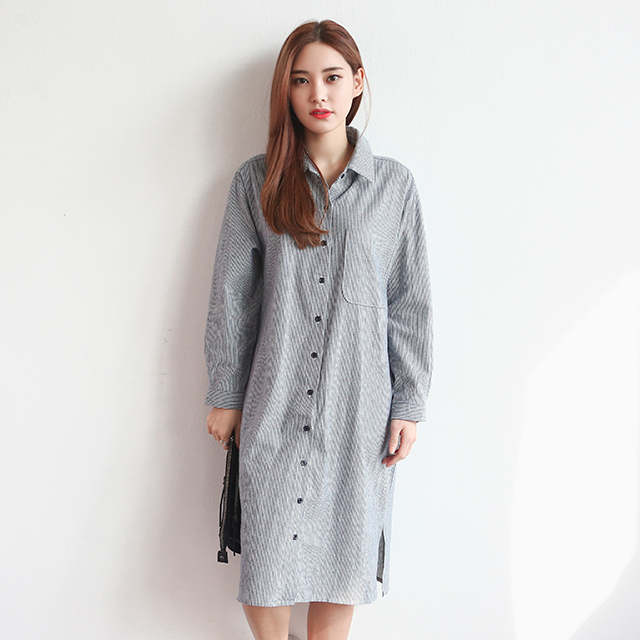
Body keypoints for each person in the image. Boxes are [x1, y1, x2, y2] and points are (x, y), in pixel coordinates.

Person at [204, 19, 433, 640]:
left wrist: (408, 403)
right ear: (286, 91)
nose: (318, 94)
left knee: (344, 559)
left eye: (332, 77)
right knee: (268, 555)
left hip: (359, 407)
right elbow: (231, 296)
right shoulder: (257, 181)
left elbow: (409, 304)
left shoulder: (394, 188)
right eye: (301, 80)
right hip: (274, 399)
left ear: (357, 82)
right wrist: (226, 393)